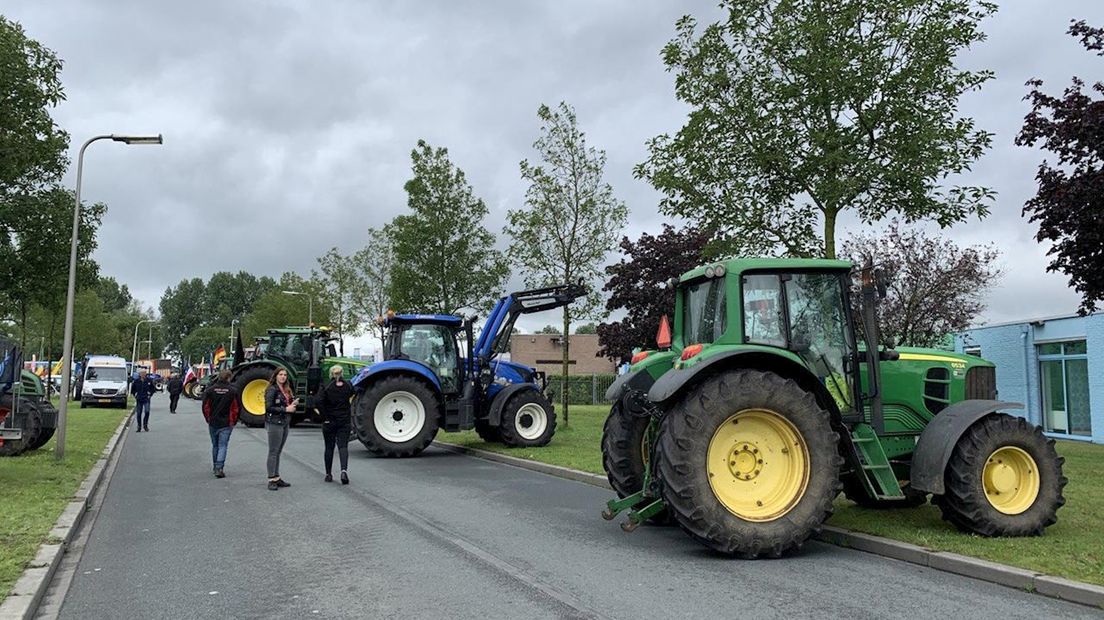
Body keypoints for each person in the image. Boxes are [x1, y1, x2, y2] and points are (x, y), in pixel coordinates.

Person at [315, 365, 354, 484]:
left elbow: (318, 401)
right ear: (342, 373)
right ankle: (344, 471)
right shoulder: (348, 385)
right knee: (343, 446)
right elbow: (355, 393)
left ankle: (328, 474)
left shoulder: (326, 387)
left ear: (331, 374)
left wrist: (324, 416)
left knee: (329, 447)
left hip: (329, 421)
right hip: (344, 420)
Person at [264, 368, 298, 490]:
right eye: (280, 374)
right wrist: (285, 409)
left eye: (285, 375)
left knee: (278, 451)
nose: (283, 377)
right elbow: (268, 407)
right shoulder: (272, 389)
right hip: (274, 423)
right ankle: (271, 478)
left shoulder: (286, 389)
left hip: (284, 422)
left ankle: (276, 477)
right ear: (276, 376)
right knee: (273, 451)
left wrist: (292, 404)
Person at [201, 370, 239, 478]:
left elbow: (205, 407)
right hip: (226, 422)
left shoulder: (210, 390)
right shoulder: (233, 391)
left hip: (213, 422)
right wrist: (233, 421)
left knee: (215, 445)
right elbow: (236, 408)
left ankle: (215, 466)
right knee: (223, 445)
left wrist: (208, 419)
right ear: (228, 378)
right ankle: (219, 467)